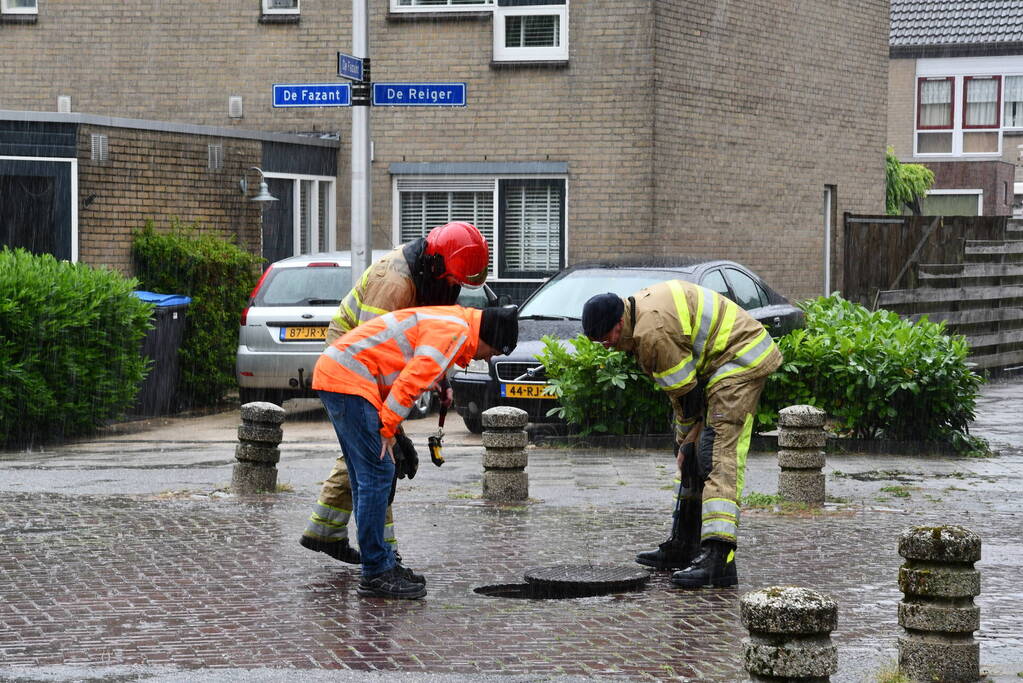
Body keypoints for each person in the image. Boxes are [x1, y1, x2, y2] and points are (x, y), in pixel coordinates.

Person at [300, 221, 490, 568]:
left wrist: (440, 380)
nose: (453, 289)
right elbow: (375, 354)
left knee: (367, 455)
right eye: (452, 281)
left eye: (459, 285)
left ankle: (325, 529)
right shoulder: (395, 284)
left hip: (364, 361)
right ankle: (382, 558)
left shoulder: (431, 275)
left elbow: (424, 340)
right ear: (436, 266)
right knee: (378, 459)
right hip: (350, 359)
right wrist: (393, 430)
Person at [581, 280, 781, 589]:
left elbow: (687, 396)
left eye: (607, 337)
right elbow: (684, 393)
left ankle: (720, 559)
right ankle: (685, 544)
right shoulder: (638, 316)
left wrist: (687, 441)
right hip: (720, 365)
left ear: (619, 321)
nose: (607, 345)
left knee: (715, 456)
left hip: (739, 362)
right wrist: (685, 443)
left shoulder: (652, 333)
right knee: (691, 457)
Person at [310, 303, 519, 598]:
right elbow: (410, 381)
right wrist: (389, 430)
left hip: (340, 373)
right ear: (489, 338)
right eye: (493, 352)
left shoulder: (456, 321)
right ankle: (376, 573)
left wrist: (440, 381)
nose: (488, 357)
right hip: (349, 379)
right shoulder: (455, 332)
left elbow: (416, 357)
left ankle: (380, 563)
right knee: (378, 471)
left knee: (365, 475)